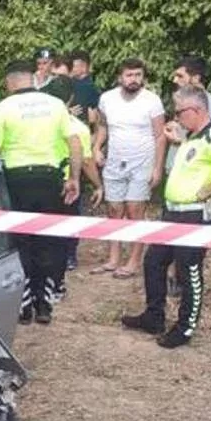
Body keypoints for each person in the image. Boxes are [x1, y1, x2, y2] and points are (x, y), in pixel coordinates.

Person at [121, 86, 211, 348]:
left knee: (188, 271)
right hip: (173, 213)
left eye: (180, 112)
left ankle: (185, 328)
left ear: (197, 110)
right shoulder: (193, 137)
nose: (177, 118)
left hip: (194, 216)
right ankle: (154, 316)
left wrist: (208, 190)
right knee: (154, 261)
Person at [0, 60, 82, 325]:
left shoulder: (3, 107)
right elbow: (74, 142)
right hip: (49, 178)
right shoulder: (55, 104)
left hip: (16, 179)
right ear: (32, 78)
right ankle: (44, 304)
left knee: (20, 241)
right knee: (47, 241)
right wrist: (73, 178)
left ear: (9, 81)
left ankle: (24, 303)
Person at [91, 58, 166, 278]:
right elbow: (102, 126)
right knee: (114, 210)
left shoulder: (152, 101)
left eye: (138, 75)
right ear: (120, 77)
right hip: (114, 162)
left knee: (135, 211)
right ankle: (113, 259)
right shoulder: (107, 99)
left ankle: (133, 261)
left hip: (142, 163)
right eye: (129, 75)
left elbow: (160, 136)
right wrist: (96, 147)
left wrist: (157, 168)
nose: (134, 80)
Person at [41, 76, 104, 280]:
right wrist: (98, 185)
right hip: (69, 181)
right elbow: (86, 161)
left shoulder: (37, 123)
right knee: (69, 220)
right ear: (71, 98)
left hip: (42, 180)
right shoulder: (77, 126)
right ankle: (68, 258)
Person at [165, 55, 211, 171]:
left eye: (180, 76)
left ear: (196, 78)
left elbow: (209, 138)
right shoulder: (183, 98)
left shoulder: (209, 102)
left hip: (193, 171)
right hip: (177, 167)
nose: (175, 80)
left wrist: (178, 140)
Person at [69, 50, 101, 125]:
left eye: (73, 66)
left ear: (84, 67)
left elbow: (92, 118)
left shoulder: (85, 87)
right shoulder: (93, 88)